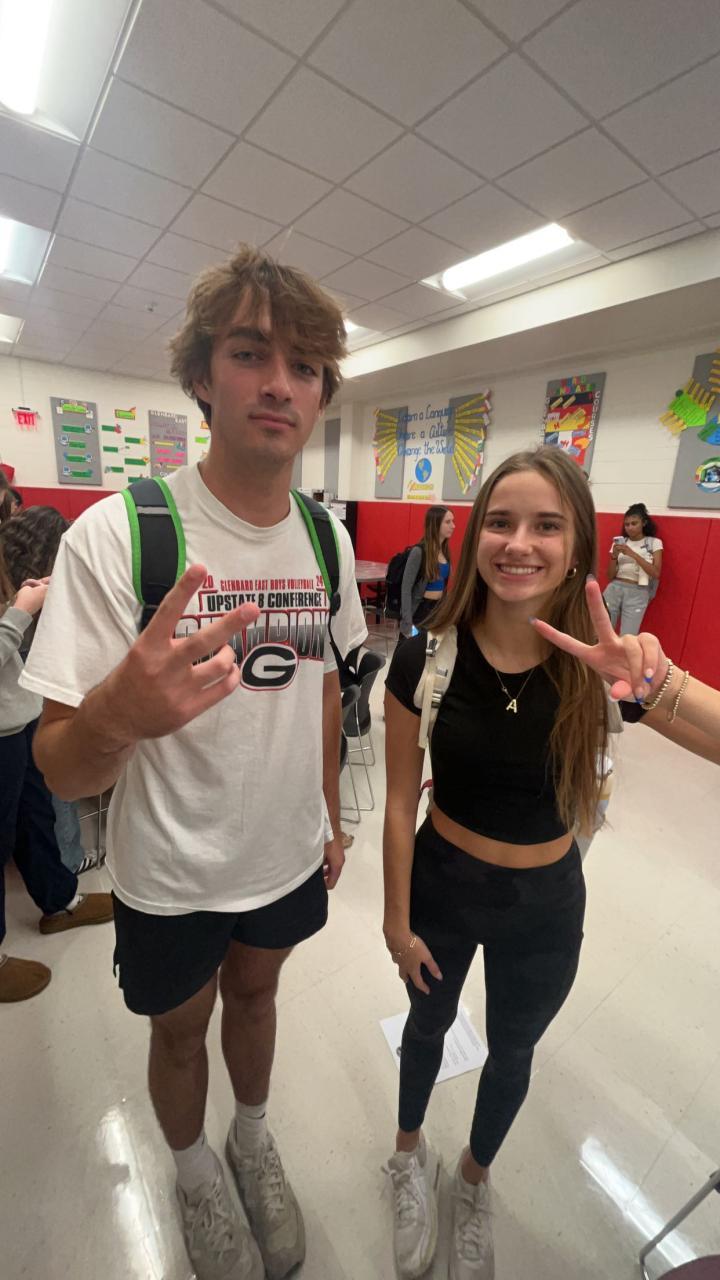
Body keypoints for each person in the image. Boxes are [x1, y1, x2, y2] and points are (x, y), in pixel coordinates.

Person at [22, 246, 367, 1280]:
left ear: (322, 393)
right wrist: (116, 713)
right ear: (203, 376)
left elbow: (321, 687)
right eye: (252, 352)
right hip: (171, 874)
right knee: (181, 1032)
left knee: (258, 1000)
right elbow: (60, 771)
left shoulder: (328, 539)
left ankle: (250, 1139)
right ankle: (191, 1172)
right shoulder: (121, 535)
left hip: (287, 856)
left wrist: (330, 816)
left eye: (304, 365)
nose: (280, 384)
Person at [381, 446, 717, 1280]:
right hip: (441, 887)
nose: (519, 543)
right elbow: (396, 802)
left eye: (546, 525)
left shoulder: (597, 667)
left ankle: (473, 1178)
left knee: (513, 1051)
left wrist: (656, 683)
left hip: (545, 906)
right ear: (474, 540)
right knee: (427, 1027)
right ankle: (407, 1156)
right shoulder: (426, 654)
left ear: (576, 549)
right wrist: (394, 920)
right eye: (500, 522)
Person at [0, 513, 113, 1004]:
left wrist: (20, 602)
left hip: (17, 720)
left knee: (35, 819)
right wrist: (20, 615)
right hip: (5, 726)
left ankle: (59, 900)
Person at [0, 505, 91, 875]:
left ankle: (56, 873)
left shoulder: (13, 573)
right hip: (21, 705)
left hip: (19, 706)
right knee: (50, 782)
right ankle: (66, 861)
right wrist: (21, 611)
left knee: (35, 795)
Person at [603, 502, 662, 635]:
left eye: (634, 523)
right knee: (602, 632)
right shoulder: (620, 543)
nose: (630, 527)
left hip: (638, 591)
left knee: (628, 636)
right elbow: (610, 576)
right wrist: (614, 556)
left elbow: (656, 573)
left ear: (644, 523)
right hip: (614, 588)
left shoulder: (654, 542)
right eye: (627, 524)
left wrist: (632, 554)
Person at [400, 505, 455, 639]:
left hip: (437, 611)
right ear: (436, 524)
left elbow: (445, 586)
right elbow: (406, 589)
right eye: (448, 522)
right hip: (420, 611)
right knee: (413, 647)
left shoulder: (445, 552)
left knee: (431, 649)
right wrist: (407, 621)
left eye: (453, 521)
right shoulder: (419, 552)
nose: (453, 526)